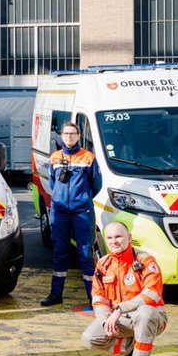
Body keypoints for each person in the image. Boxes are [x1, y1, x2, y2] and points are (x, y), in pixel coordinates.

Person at [80, 221, 168, 356]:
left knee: (145, 312)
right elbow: (98, 297)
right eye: (110, 237)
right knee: (89, 338)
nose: (114, 241)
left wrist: (119, 310)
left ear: (129, 237)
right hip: (120, 319)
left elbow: (151, 295)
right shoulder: (103, 264)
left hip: (152, 318)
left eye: (118, 236)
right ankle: (130, 349)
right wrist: (105, 319)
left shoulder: (145, 261)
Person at [41, 121, 103, 307]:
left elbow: (96, 185)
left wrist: (81, 199)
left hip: (81, 212)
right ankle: (55, 294)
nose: (69, 137)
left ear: (78, 136)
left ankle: (94, 298)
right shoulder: (55, 158)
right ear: (61, 135)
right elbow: (53, 184)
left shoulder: (88, 158)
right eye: (66, 133)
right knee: (59, 252)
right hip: (60, 211)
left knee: (85, 253)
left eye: (73, 134)